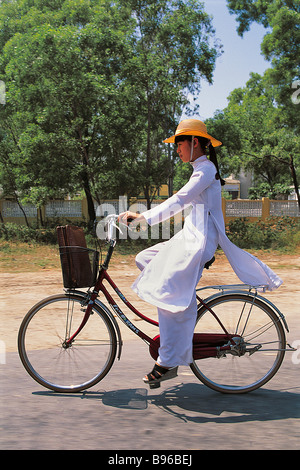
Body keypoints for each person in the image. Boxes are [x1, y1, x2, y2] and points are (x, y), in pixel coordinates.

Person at [119, 118, 282, 389]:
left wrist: (142, 218)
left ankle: (167, 361)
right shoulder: (200, 169)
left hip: (198, 243)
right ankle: (183, 302)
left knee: (168, 291)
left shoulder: (205, 170)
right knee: (144, 259)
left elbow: (179, 200)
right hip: (188, 239)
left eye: (179, 143)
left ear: (194, 142)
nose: (177, 149)